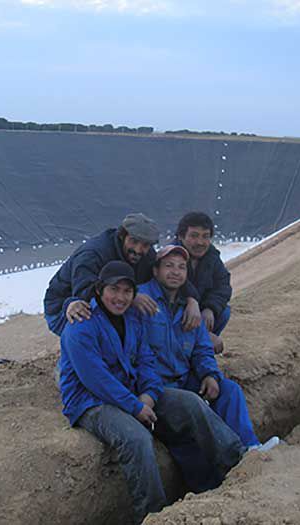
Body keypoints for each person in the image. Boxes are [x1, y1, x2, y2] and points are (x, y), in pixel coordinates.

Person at [59, 261, 245, 524]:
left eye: (127, 291)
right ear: (99, 290)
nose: (120, 298)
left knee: (191, 403)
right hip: (90, 402)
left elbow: (146, 361)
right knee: (136, 438)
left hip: (133, 392)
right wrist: (135, 407)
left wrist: (149, 394)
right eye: (114, 290)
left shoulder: (132, 319)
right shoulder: (81, 325)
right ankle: (153, 515)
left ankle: (237, 461)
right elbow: (96, 379)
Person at [138, 245, 279, 491]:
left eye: (181, 267)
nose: (175, 272)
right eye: (168, 266)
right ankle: (235, 461)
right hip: (155, 386)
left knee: (229, 390)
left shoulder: (188, 305)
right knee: (188, 423)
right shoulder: (142, 303)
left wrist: (209, 374)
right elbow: (135, 354)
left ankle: (251, 447)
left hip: (183, 378)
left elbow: (202, 346)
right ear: (155, 270)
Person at [44, 212, 201, 337]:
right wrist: (131, 297)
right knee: (88, 313)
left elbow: (166, 276)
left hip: (111, 299)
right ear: (122, 235)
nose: (139, 249)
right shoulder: (93, 254)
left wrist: (192, 300)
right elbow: (83, 293)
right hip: (63, 308)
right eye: (134, 241)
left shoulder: (145, 254)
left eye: (145, 245)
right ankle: (71, 363)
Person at [175, 212, 231, 353]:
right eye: (194, 236)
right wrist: (191, 301)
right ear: (181, 237)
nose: (200, 242)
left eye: (205, 236)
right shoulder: (171, 258)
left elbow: (223, 285)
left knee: (223, 311)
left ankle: (202, 350)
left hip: (200, 310)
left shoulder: (211, 256)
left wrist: (210, 308)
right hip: (178, 312)